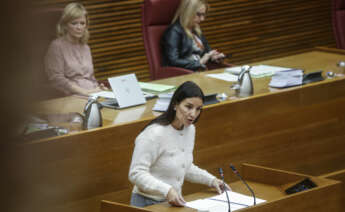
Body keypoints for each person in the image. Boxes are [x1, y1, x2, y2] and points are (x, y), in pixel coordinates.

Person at [128, 81, 230, 207]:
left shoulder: (189, 129)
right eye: (188, 107)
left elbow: (184, 167)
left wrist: (211, 180)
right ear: (176, 104)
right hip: (147, 204)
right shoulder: (154, 134)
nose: (193, 114)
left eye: (198, 109)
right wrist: (167, 190)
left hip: (173, 204)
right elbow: (136, 173)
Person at [44, 2, 106, 96]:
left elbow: (90, 77)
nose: (79, 27)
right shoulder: (56, 46)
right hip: (71, 96)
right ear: (65, 25)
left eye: (82, 23)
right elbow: (56, 79)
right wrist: (84, 92)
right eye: (74, 23)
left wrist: (99, 87)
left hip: (93, 94)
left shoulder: (86, 48)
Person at [161, 0, 226, 71]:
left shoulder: (196, 29)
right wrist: (199, 62)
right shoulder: (174, 31)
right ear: (188, 12)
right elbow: (173, 61)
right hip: (183, 74)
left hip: (200, 70)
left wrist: (213, 56)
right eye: (198, 14)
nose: (202, 19)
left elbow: (206, 52)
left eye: (203, 15)